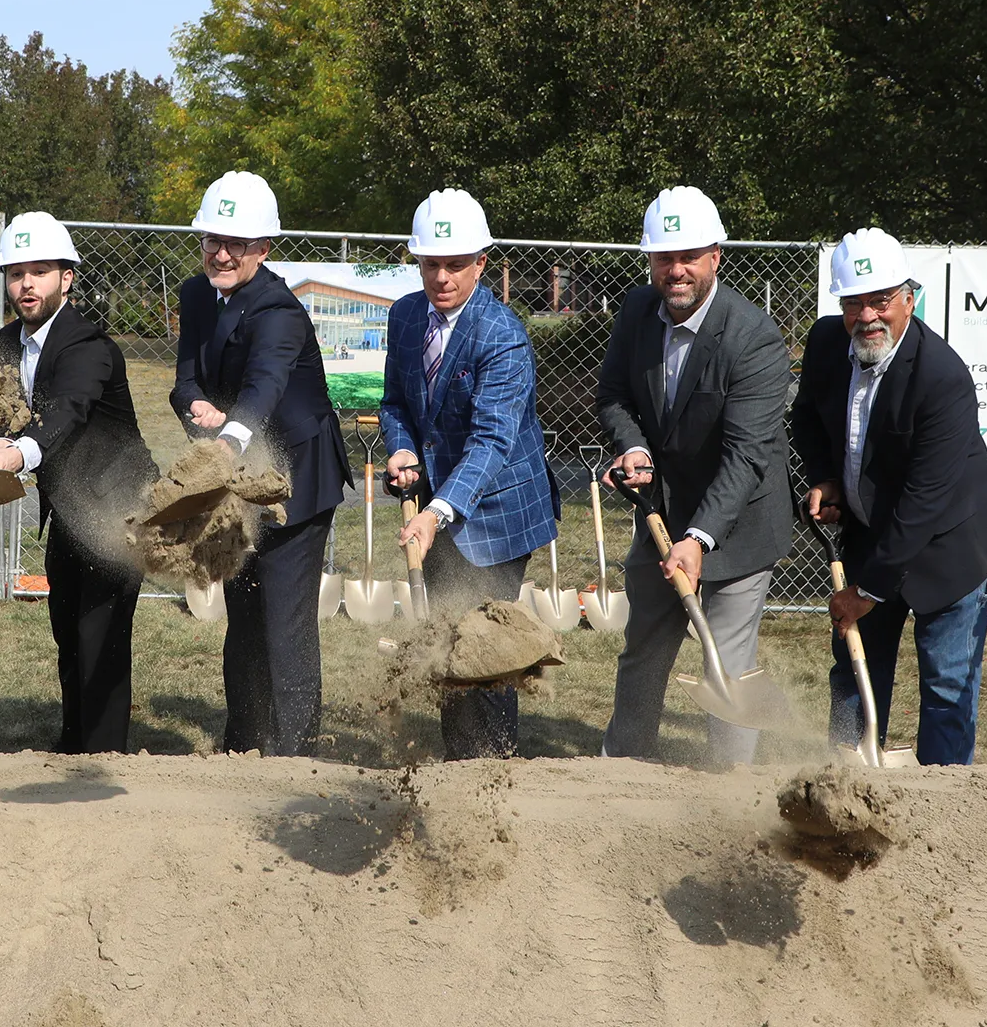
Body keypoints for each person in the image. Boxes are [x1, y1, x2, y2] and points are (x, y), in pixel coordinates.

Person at [593, 185, 793, 767]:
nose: (675, 270)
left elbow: (747, 455)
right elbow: (614, 396)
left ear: (716, 258)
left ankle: (731, 791)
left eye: (689, 257)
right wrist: (632, 447)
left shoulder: (752, 337)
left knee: (725, 660)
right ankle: (624, 766)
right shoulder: (635, 313)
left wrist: (699, 538)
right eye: (663, 257)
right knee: (645, 648)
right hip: (661, 510)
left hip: (738, 523)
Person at [789, 228, 987, 765]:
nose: (868, 316)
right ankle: (842, 793)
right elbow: (808, 418)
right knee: (855, 675)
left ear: (910, 298)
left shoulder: (941, 378)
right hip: (873, 534)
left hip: (948, 546)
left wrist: (868, 590)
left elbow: (925, 500)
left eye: (881, 299)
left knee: (948, 687)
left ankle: (941, 814)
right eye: (854, 302)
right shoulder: (825, 344)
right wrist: (825, 478)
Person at [172, 171, 353, 757]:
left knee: (284, 621)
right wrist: (194, 404)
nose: (221, 254)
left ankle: (296, 756)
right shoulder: (198, 294)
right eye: (211, 241)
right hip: (242, 478)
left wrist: (228, 440)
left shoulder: (279, 311)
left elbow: (264, 387)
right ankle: (243, 746)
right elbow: (185, 381)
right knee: (242, 615)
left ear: (263, 249)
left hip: (298, 479)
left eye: (237, 245)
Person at [380, 188, 555, 759]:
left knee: (483, 645)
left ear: (482, 262)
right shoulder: (405, 316)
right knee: (450, 637)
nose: (443, 277)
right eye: (432, 263)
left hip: (500, 508)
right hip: (437, 500)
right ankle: (462, 761)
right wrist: (403, 450)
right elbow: (396, 404)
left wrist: (436, 510)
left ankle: (492, 770)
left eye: (457, 264)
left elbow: (492, 440)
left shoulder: (501, 333)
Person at [0, 213, 157, 754]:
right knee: (68, 637)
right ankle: (74, 747)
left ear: (67, 278)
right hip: (69, 511)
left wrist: (18, 451)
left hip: (120, 511)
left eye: (39, 271)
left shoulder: (88, 346)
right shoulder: (5, 342)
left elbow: (67, 412)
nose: (26, 284)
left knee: (100, 640)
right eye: (16, 273)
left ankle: (103, 761)